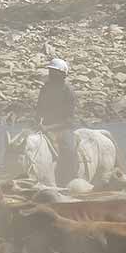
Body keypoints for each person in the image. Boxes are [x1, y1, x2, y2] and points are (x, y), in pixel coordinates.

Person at [34, 58, 78, 186]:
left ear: (62, 74)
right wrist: (37, 121)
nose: (51, 75)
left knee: (69, 148)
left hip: (63, 128)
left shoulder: (68, 91)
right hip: (44, 126)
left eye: (54, 72)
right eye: (50, 72)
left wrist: (49, 127)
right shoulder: (46, 88)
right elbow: (39, 109)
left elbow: (69, 120)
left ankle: (72, 178)